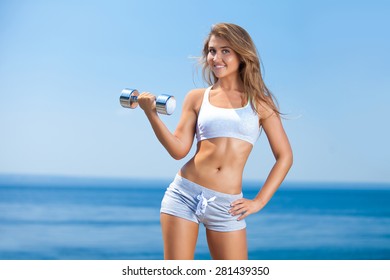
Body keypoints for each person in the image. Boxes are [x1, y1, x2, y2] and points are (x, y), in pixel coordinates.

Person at [136, 23, 293, 260]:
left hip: (228, 206)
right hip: (183, 195)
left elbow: (285, 156)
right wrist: (151, 114)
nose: (216, 58)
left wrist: (259, 201)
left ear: (242, 55)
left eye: (225, 50)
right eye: (212, 51)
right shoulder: (197, 98)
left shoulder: (261, 103)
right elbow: (179, 150)